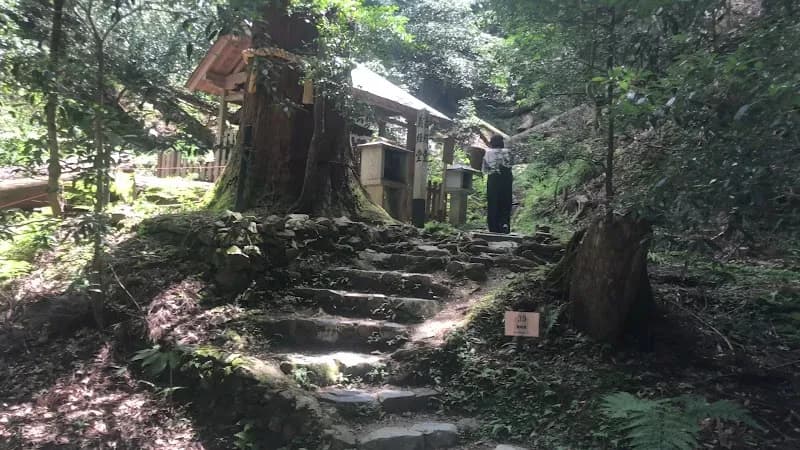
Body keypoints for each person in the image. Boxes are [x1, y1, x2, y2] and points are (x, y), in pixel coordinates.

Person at [482, 135, 513, 234]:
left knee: (493, 202)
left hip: (493, 179)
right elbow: (511, 164)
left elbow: (484, 169)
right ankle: (504, 224)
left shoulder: (488, 153)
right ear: (501, 142)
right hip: (506, 178)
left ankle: (493, 227)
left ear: (492, 143)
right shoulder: (508, 152)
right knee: (506, 201)